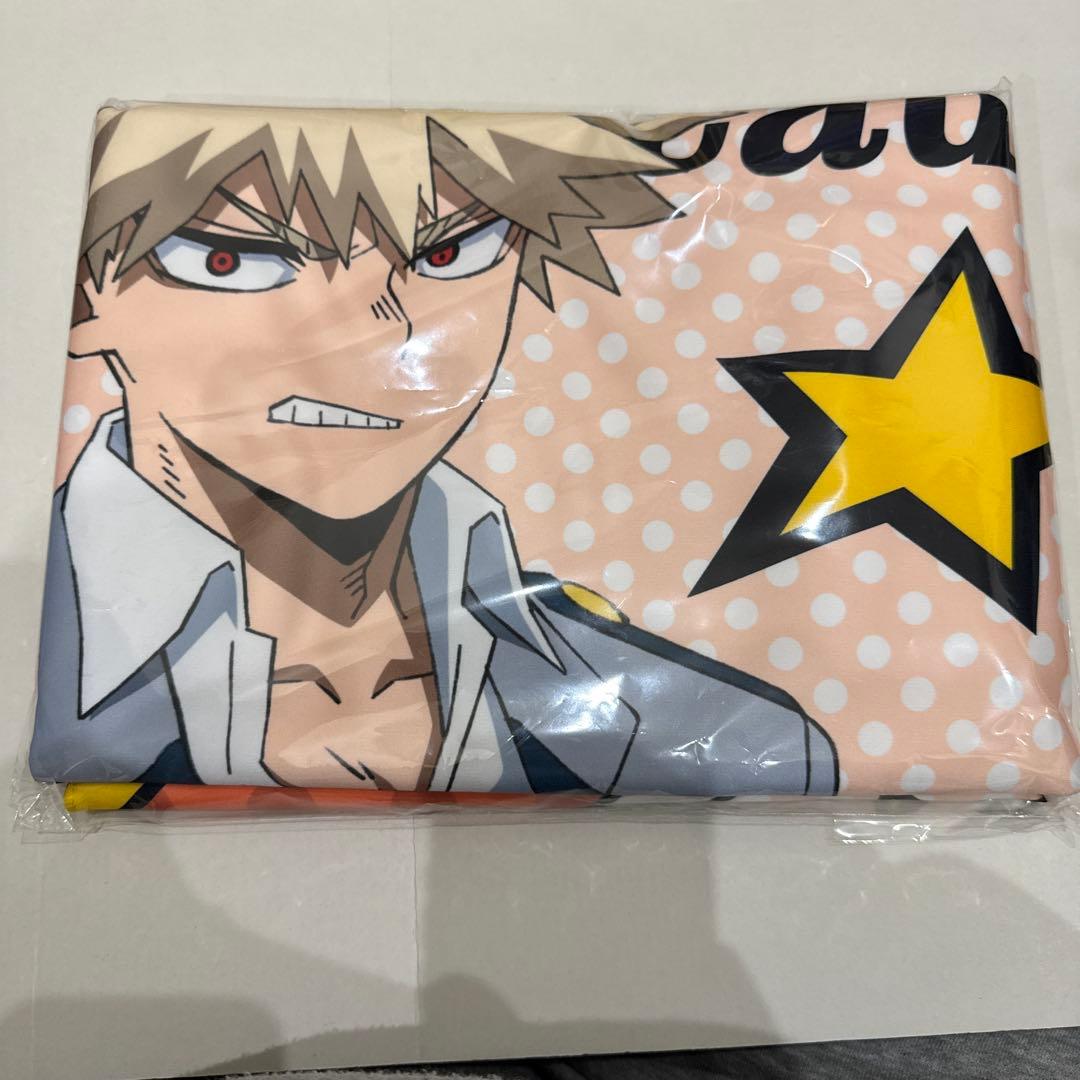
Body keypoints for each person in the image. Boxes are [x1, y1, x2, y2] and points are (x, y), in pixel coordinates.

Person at [30, 103, 837, 797]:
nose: (374, 340)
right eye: (229, 259)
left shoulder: (742, 736)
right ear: (91, 296)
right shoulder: (56, 668)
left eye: (447, 254)